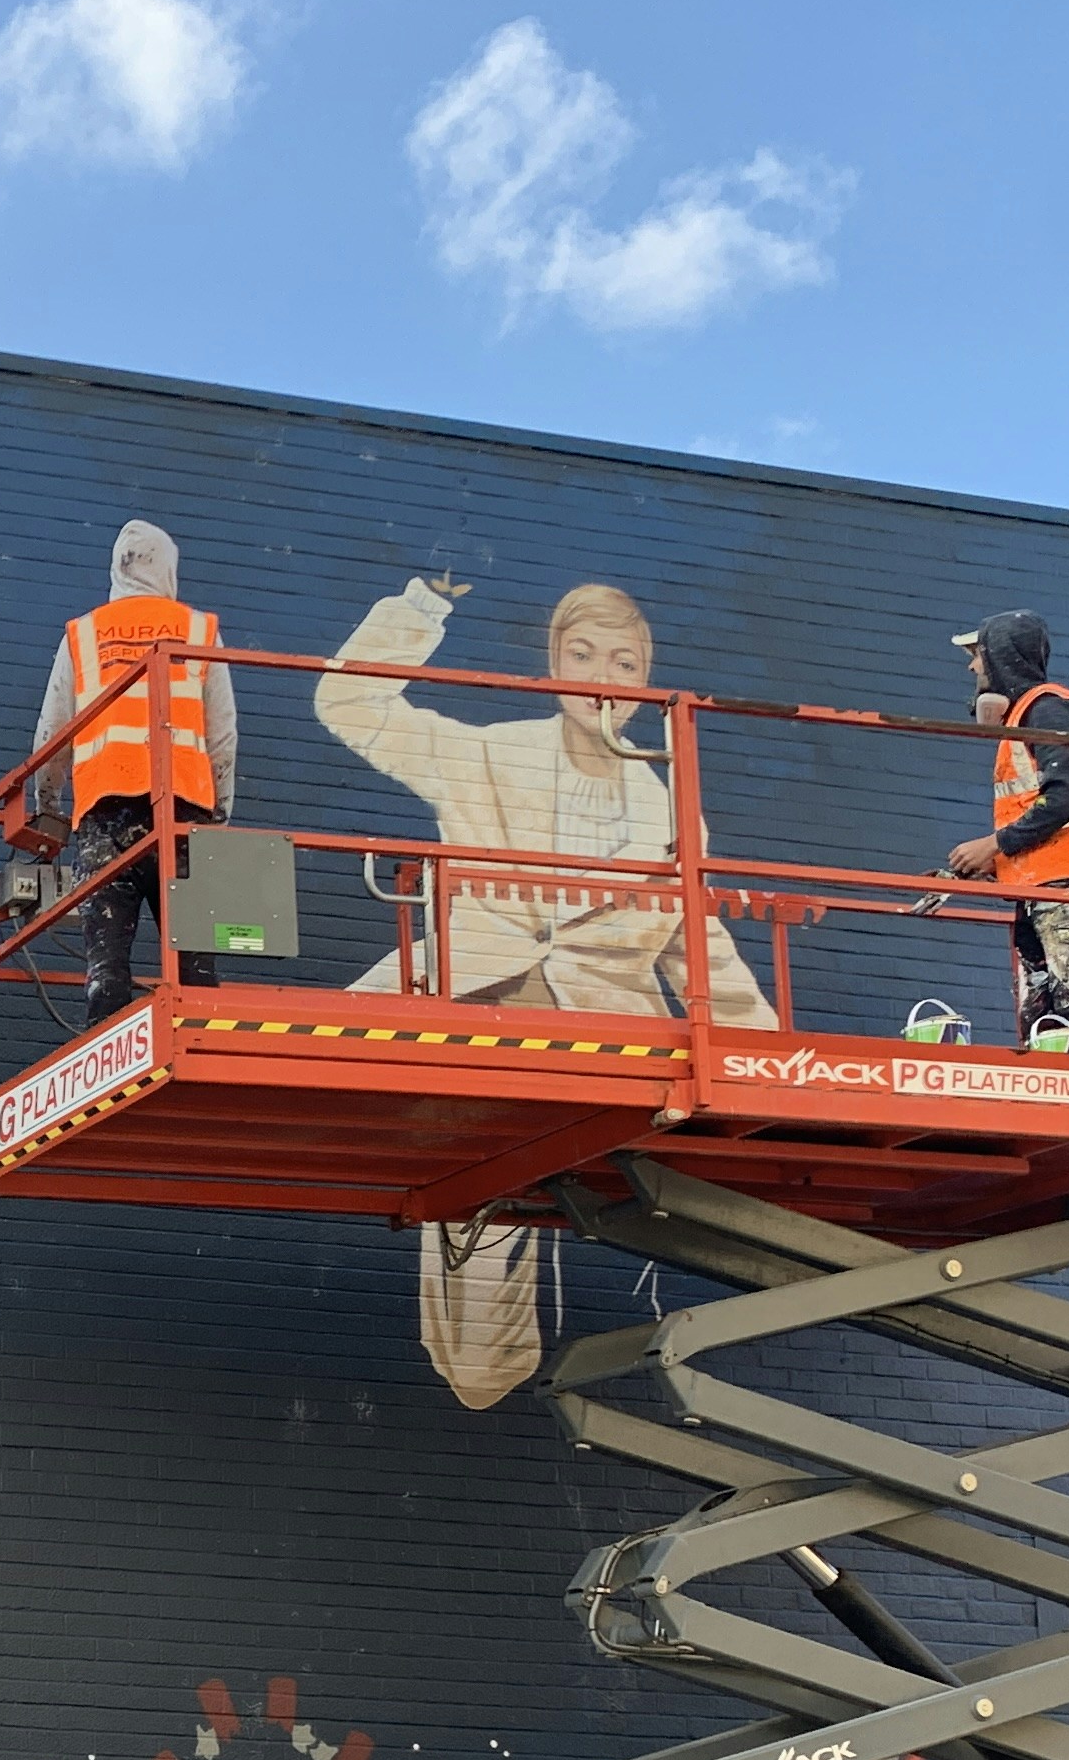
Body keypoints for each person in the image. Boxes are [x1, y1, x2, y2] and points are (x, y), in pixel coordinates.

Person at [316, 574, 775, 1409]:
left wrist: (769, 1057)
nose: (603, 677)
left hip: (601, 1030)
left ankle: (488, 1357)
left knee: (530, 1196)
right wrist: (423, 608)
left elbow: (698, 946)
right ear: (555, 664)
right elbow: (351, 706)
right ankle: (480, 1357)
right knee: (473, 1202)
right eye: (583, 654)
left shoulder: (672, 811)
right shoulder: (491, 752)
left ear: (644, 682)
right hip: (475, 1001)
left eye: (625, 662)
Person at [21, 519, 239, 1024]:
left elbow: (52, 734)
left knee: (107, 971)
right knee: (195, 971)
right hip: (185, 814)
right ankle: (200, 1047)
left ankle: (107, 1063)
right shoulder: (198, 629)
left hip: (105, 816)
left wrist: (48, 806)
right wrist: (220, 813)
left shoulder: (85, 634)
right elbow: (222, 733)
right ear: (168, 567)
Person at [941, 611, 1069, 1053]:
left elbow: (1063, 799)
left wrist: (995, 844)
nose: (972, 668)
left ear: (1000, 657)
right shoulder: (1026, 718)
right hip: (1048, 889)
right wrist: (998, 859)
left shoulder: (1048, 707)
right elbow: (1040, 807)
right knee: (1048, 1018)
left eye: (977, 656)